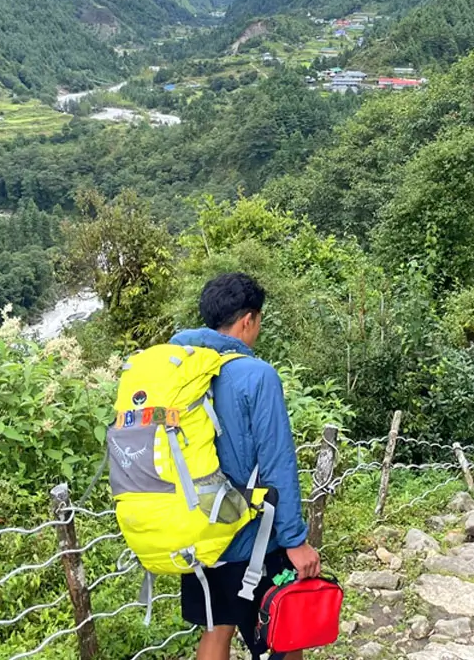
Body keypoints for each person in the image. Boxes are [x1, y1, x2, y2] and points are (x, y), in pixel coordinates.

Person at [170, 273, 321, 660]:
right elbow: (277, 463)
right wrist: (295, 541)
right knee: (284, 635)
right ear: (248, 320)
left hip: (199, 531)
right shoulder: (257, 375)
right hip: (253, 536)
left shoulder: (179, 373)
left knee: (216, 630)